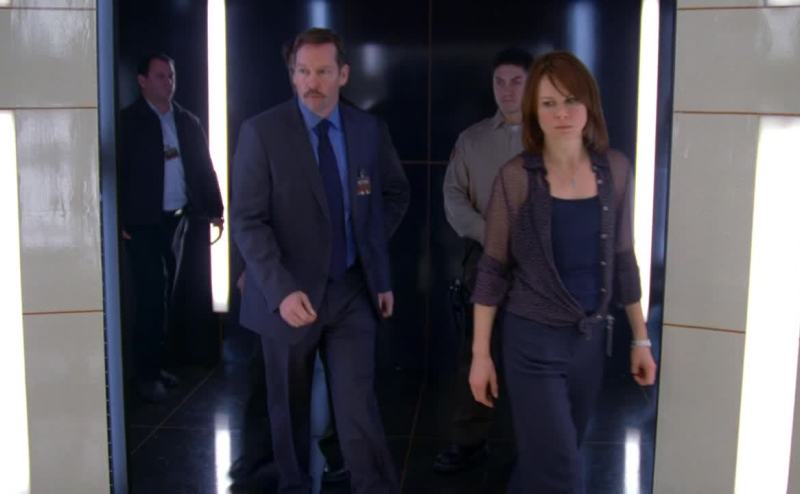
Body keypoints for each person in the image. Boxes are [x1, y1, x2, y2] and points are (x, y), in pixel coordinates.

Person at [468, 51, 658, 493]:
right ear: (534, 111)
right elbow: (492, 270)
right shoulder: (517, 178)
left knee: (550, 460)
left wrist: (641, 338)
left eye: (571, 100)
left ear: (589, 104)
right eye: (549, 103)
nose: (562, 114)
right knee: (563, 474)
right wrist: (480, 355)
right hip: (532, 342)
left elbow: (624, 258)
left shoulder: (614, 170)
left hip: (588, 344)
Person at [231, 27, 409, 494]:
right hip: (287, 296)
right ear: (292, 75)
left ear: (343, 74)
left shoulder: (368, 130)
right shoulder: (262, 133)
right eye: (304, 72)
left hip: (351, 290)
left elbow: (394, 194)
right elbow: (247, 221)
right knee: (288, 412)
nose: (313, 82)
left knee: (357, 407)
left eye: (324, 72)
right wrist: (280, 289)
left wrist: (374, 262)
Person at [436, 47, 532, 473]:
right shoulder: (472, 139)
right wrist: (490, 235)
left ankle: (535, 443)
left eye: (516, 81)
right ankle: (469, 441)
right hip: (485, 259)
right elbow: (453, 197)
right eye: (500, 82)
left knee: (535, 355)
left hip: (540, 265)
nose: (507, 90)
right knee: (476, 351)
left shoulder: (550, 136)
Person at [119, 53, 224, 403]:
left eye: (171, 76)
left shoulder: (187, 121)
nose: (168, 82)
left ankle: (158, 364)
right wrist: (119, 219)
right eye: (160, 76)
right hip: (142, 223)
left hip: (178, 219)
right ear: (142, 81)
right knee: (150, 297)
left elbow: (204, 167)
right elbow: (118, 174)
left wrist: (215, 209)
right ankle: (145, 374)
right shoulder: (129, 123)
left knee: (166, 296)